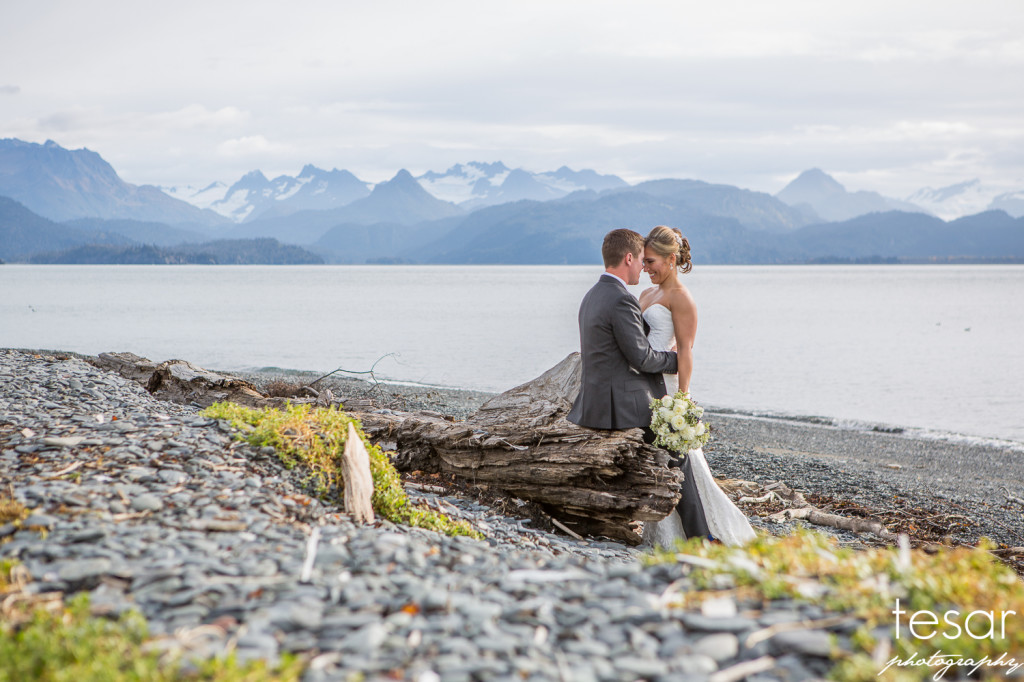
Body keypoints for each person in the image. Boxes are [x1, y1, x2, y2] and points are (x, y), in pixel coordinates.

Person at [639, 225, 756, 548]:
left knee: (680, 457)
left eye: (651, 262)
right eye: (644, 262)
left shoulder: (682, 298)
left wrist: (682, 399)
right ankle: (676, 529)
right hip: (644, 380)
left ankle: (705, 532)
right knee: (663, 456)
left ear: (671, 259)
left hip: (668, 385)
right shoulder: (647, 295)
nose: (645, 268)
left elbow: (686, 351)